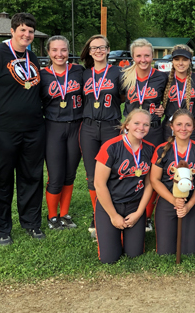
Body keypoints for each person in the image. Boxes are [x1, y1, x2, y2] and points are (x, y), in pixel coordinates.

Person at [0, 12, 45, 245]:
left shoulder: (32, 57)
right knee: (0, 180)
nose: (27, 34)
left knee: (32, 178)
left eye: (31, 31)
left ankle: (31, 223)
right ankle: (2, 228)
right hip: (1, 131)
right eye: (22, 30)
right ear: (12, 31)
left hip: (33, 130)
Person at [94, 109, 155, 263]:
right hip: (111, 204)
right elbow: (99, 184)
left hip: (134, 205)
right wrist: (114, 216)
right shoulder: (111, 146)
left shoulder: (149, 149)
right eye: (137, 123)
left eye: (146, 125)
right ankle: (110, 231)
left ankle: (126, 233)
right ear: (126, 125)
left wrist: (140, 213)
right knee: (109, 259)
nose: (141, 128)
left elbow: (149, 184)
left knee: (134, 254)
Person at [79, 34, 125, 238]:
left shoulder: (118, 72)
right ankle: (97, 213)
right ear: (89, 52)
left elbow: (126, 97)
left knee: (112, 170)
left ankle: (113, 210)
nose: (98, 51)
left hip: (111, 125)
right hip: (89, 127)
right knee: (92, 173)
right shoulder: (84, 74)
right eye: (94, 48)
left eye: (102, 47)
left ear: (108, 50)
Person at [121, 39, 168, 232]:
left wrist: (163, 110)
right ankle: (127, 208)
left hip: (153, 129)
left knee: (150, 171)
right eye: (139, 55)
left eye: (147, 55)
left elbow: (168, 102)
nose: (143, 59)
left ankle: (146, 215)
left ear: (153, 56)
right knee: (130, 171)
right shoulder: (124, 76)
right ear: (133, 57)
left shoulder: (162, 77)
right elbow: (118, 98)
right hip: (131, 131)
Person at [150, 109, 195, 256]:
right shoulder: (162, 150)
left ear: (194, 127)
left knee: (189, 251)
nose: (183, 129)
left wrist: (188, 205)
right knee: (165, 251)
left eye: (188, 125)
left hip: (190, 201)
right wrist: (173, 200)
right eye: (179, 124)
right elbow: (154, 180)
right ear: (172, 127)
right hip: (167, 199)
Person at [40, 35, 84, 230]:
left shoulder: (79, 71)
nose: (60, 54)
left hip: (76, 125)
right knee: (55, 174)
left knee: (70, 173)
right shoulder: (42, 75)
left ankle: (64, 214)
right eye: (55, 50)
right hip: (53, 127)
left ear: (69, 51)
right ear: (48, 52)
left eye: (63, 50)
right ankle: (52, 217)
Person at [162, 45, 195, 142]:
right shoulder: (164, 78)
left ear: (190, 61)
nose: (180, 63)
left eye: (184, 59)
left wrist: (189, 116)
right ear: (172, 61)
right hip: (169, 126)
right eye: (177, 59)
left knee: (191, 154)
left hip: (190, 126)